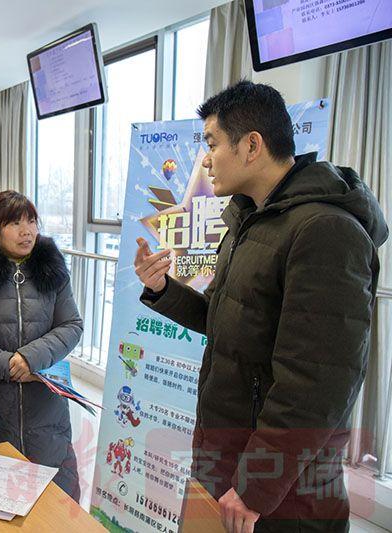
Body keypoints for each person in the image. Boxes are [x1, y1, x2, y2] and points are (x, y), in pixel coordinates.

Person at [134, 81, 388, 533]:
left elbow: (316, 384)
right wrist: (162, 290)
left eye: (211, 143)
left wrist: (255, 487)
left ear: (252, 145)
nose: (205, 159)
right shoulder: (249, 219)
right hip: (228, 457)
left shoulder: (326, 231)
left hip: (283, 492)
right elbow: (223, 316)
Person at [0, 190, 83, 501]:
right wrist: (6, 364)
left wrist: (30, 358)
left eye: (31, 221)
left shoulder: (52, 270)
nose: (26, 231)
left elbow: (71, 325)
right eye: (15, 223)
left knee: (54, 499)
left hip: (46, 405)